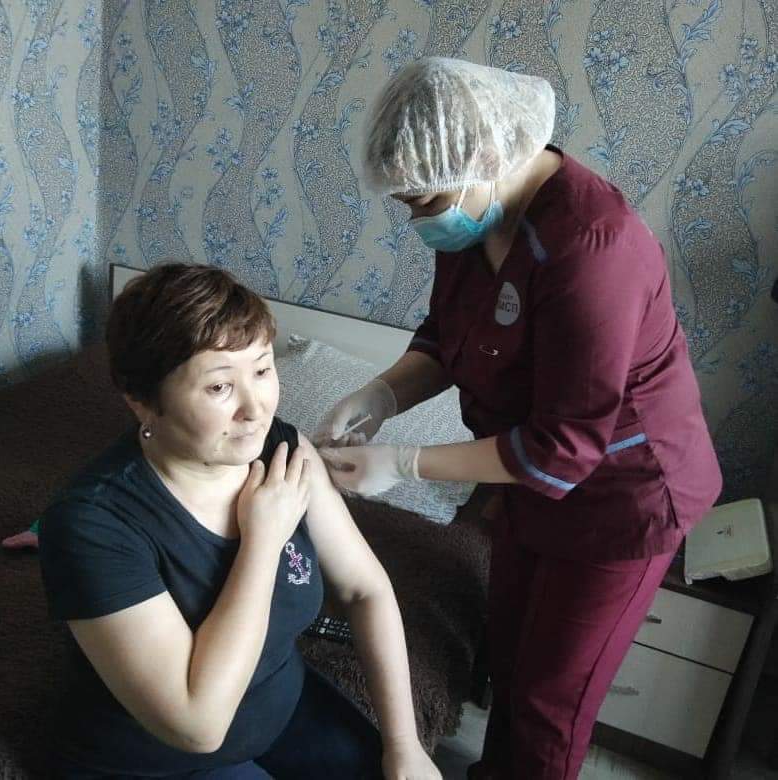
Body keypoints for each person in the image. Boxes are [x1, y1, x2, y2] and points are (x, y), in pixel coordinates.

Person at [314, 57, 723, 780]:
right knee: (510, 658)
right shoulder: (480, 216)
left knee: (547, 702)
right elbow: (451, 334)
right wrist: (381, 395)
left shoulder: (592, 249)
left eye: (422, 198)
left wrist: (405, 464)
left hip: (623, 495)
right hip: (527, 475)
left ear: (481, 157)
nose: (416, 218)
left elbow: (564, 447)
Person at [38, 263, 441, 780]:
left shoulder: (282, 451)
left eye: (262, 370)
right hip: (158, 763)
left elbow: (365, 590)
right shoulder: (91, 525)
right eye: (218, 387)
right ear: (142, 402)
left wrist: (404, 746)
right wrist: (262, 541)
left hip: (280, 709)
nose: (255, 409)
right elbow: (197, 726)